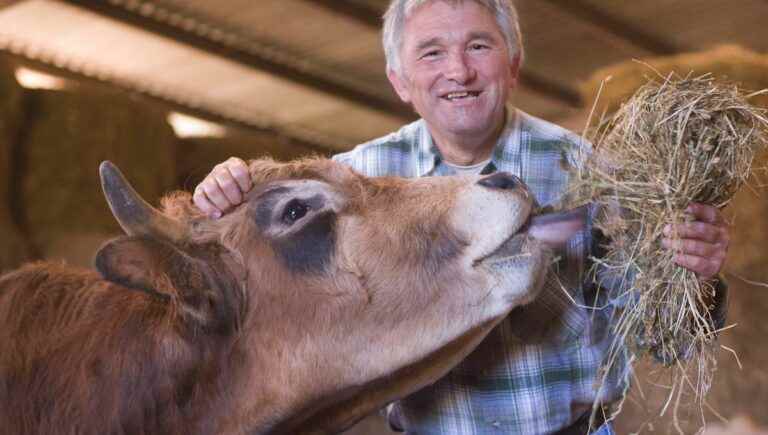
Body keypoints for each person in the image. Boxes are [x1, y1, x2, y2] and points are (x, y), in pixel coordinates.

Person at [193, 1, 730, 433]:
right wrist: (224, 197)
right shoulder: (352, 181)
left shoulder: (588, 170)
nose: (458, 70)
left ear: (513, 65)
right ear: (400, 80)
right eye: (431, 53)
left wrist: (696, 276)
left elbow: (668, 338)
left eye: (478, 45)